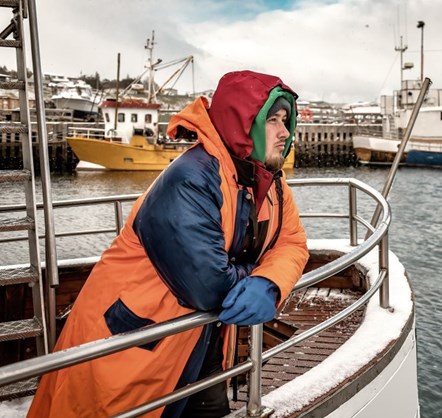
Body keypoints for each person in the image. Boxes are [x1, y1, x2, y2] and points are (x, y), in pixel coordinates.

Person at [27, 70, 309, 418]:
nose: (285, 132)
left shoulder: (269, 183)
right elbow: (207, 287)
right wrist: (256, 272)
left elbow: (292, 242)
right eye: (273, 120)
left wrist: (269, 283)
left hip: (200, 346)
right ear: (243, 122)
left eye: (286, 121)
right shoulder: (191, 179)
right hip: (132, 348)